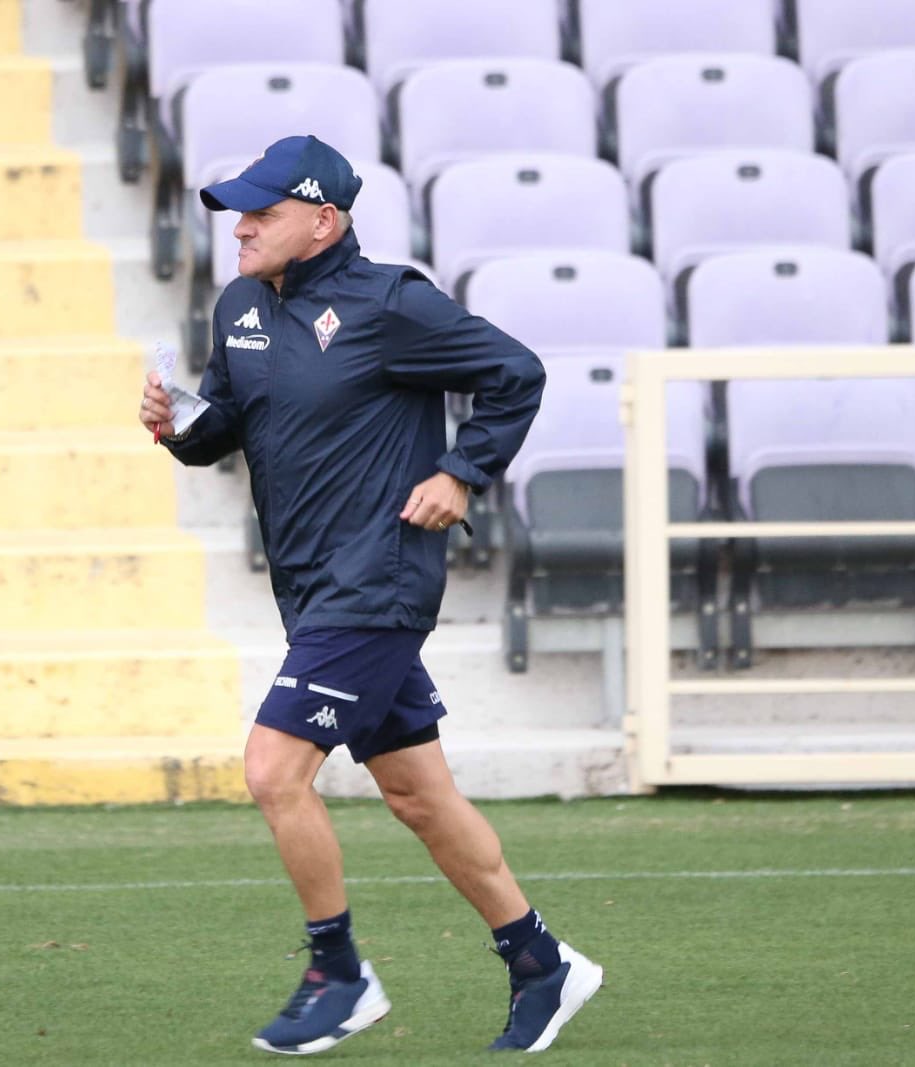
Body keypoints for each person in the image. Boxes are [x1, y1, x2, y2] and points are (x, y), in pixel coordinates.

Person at [137, 135, 602, 1056]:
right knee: (419, 794)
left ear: (323, 221)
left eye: (262, 213)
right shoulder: (240, 306)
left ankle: (338, 973)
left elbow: (516, 373)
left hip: (376, 581)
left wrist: (461, 471)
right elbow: (226, 425)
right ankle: (541, 962)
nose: (242, 228)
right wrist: (178, 424)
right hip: (311, 589)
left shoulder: (392, 302)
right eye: (239, 213)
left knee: (273, 769)